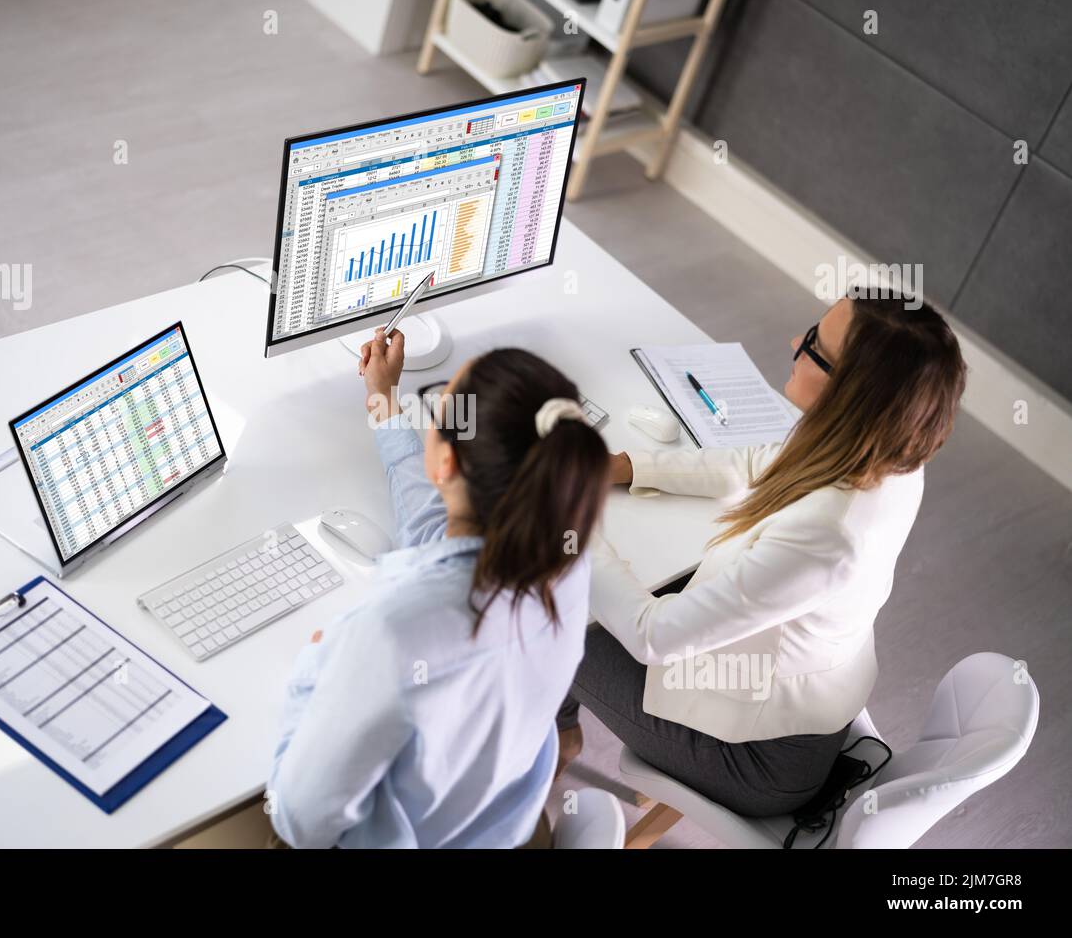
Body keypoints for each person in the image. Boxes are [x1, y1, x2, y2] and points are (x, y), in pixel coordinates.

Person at [558, 296, 967, 817]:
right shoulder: (880, 448)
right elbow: (754, 465)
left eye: (815, 347)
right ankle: (562, 722)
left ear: (851, 393)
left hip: (755, 758)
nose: (794, 344)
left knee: (541, 609)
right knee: (612, 578)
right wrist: (626, 466)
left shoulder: (831, 536)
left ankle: (554, 735)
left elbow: (653, 636)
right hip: (772, 689)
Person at [267, 329, 609, 847]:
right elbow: (434, 529)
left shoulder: (393, 636)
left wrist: (315, 672)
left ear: (445, 463)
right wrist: (385, 403)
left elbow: (300, 823)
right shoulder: (567, 559)